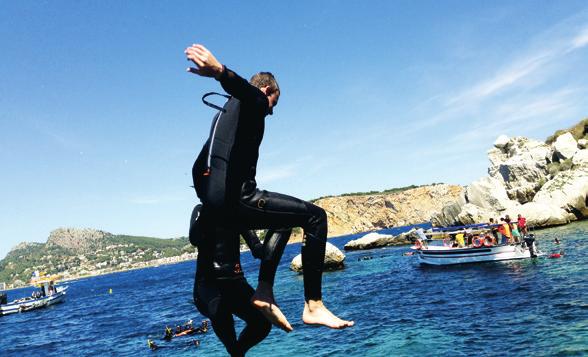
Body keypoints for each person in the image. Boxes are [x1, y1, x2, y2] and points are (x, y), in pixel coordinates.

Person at [186, 43, 353, 331]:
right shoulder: (256, 100)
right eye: (274, 104)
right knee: (316, 217)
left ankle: (264, 293)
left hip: (221, 208)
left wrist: (210, 201)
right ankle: (314, 305)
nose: (271, 113)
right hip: (239, 198)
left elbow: (197, 166)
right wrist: (220, 71)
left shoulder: (222, 115)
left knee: (284, 220)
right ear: (267, 91)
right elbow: (248, 92)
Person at [192, 202, 292, 356]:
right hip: (208, 285)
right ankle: (235, 351)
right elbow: (194, 238)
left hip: (235, 282)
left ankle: (237, 352)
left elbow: (257, 249)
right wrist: (208, 209)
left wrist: (279, 226)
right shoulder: (200, 210)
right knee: (220, 311)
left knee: (263, 322)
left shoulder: (236, 212)